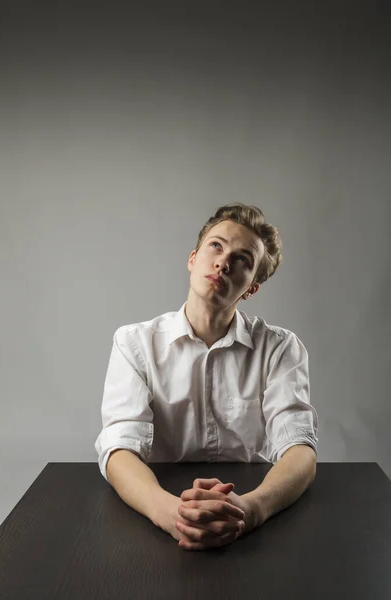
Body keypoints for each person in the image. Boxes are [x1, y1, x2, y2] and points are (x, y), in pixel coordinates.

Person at [95, 203, 318, 551]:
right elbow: (118, 447)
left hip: (255, 510)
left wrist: (252, 509)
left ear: (251, 288)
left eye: (243, 259)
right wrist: (172, 514)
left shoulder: (280, 348)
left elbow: (300, 450)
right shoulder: (134, 342)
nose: (224, 262)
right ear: (193, 257)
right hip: (156, 508)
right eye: (216, 245)